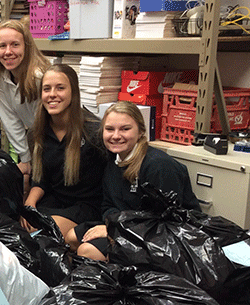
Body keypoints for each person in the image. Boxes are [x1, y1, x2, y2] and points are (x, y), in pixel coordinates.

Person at [69, 100, 201, 261]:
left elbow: (167, 221)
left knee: (88, 251)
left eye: (125, 129)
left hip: (160, 236)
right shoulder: (113, 161)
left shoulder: (158, 166)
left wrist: (115, 229)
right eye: (109, 129)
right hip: (124, 226)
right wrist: (112, 225)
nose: (116, 136)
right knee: (71, 238)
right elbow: (108, 204)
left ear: (140, 132)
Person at [20, 64, 107, 241]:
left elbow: (111, 182)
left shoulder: (94, 132)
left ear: (73, 92)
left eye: (60, 88)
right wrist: (29, 204)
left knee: (43, 236)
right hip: (54, 201)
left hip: (87, 205)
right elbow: (40, 179)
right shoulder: (36, 133)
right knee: (15, 228)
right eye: (47, 89)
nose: (52, 94)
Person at [0, 19, 50, 177]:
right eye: (2, 46)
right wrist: (25, 158)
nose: (8, 51)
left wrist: (35, 162)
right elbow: (10, 120)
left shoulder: (40, 77)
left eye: (15, 44)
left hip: (57, 140)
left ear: (27, 47)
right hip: (36, 139)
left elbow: (47, 124)